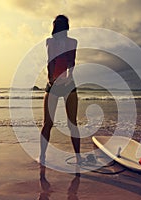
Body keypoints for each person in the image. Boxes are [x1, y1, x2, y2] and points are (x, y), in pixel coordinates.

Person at [39, 15, 82, 165]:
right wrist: (51, 79)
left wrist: (69, 77)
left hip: (69, 85)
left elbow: (72, 62)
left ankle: (78, 158)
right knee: (47, 123)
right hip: (53, 85)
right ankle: (42, 157)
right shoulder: (50, 41)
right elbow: (50, 61)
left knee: (72, 124)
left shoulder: (73, 42)